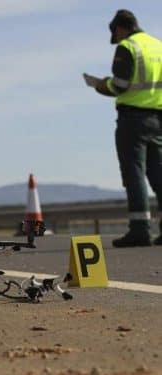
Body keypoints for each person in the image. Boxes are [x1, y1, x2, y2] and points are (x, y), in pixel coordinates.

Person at [89, 9, 162, 247]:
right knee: (158, 173)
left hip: (133, 120)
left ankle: (140, 229)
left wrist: (100, 85)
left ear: (120, 28)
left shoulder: (128, 47)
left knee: (134, 174)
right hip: (158, 118)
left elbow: (120, 85)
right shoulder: (157, 46)